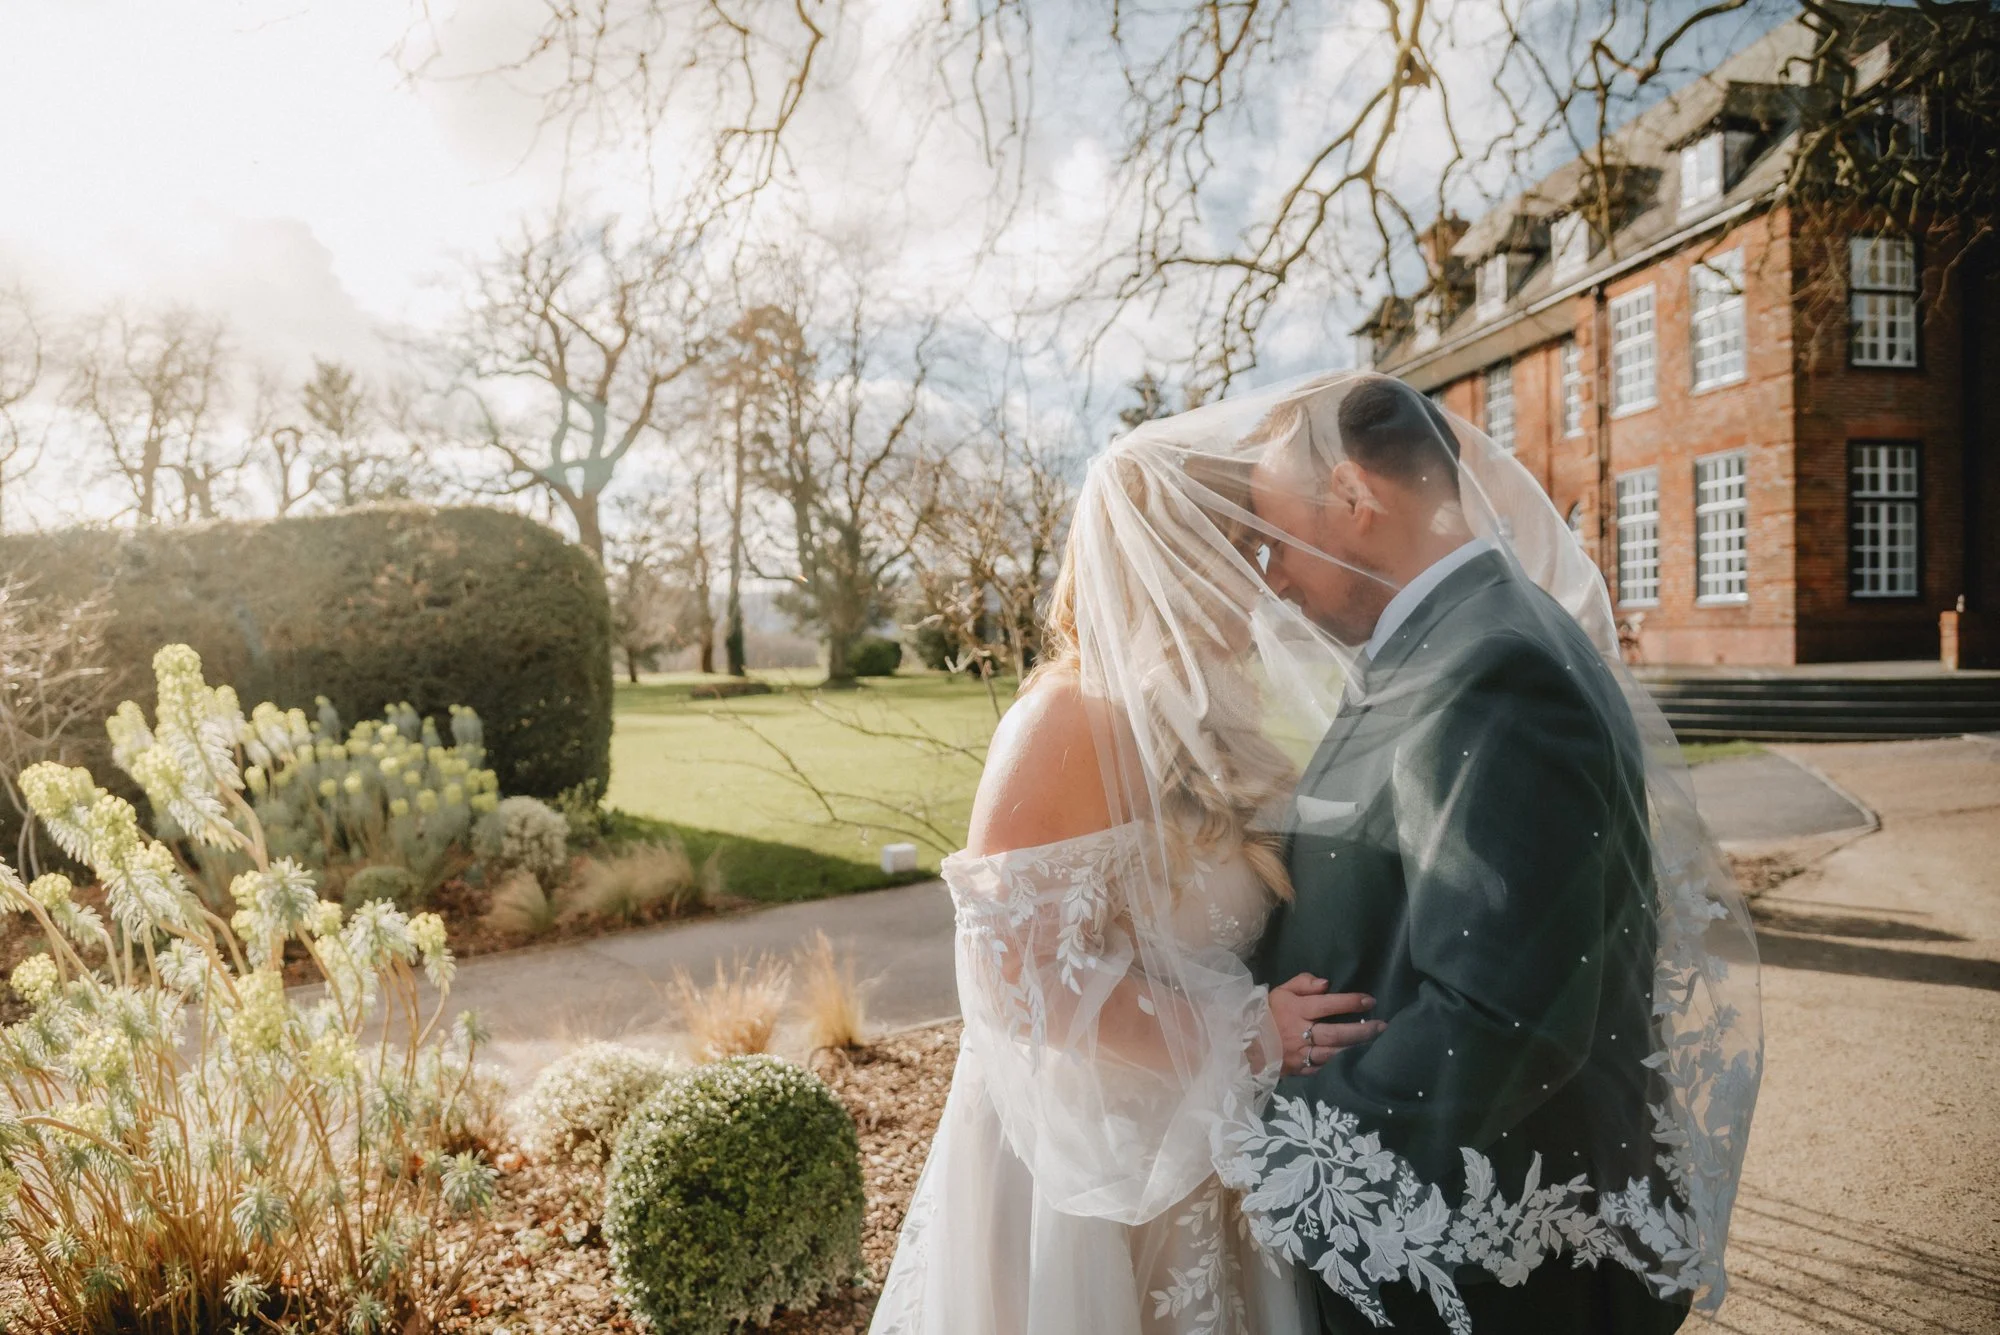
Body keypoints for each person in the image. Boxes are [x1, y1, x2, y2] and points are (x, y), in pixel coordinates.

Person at [1212, 373, 1762, 1334]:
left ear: (1353, 497)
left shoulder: (1491, 669)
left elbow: (1504, 1019)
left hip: (1491, 1281)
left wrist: (1276, 1141)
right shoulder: (1443, 636)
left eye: (1281, 534)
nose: (1276, 576)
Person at [869, 441, 1379, 1335]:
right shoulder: (1066, 715)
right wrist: (1243, 1030)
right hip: (1080, 1184)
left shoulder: (1218, 718)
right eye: (1236, 552)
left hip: (1202, 1153)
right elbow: (1012, 975)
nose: (1263, 584)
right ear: (1167, 560)